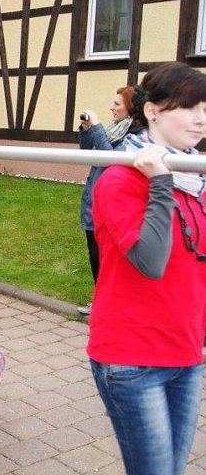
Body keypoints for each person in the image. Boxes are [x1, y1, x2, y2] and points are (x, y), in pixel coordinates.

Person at [87, 62, 206, 475]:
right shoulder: (121, 179)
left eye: (205, 108)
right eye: (189, 107)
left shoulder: (197, 179)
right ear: (152, 111)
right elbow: (151, 262)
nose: (200, 119)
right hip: (132, 358)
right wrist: (161, 183)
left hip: (187, 354)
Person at [76, 87, 144, 315]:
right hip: (93, 200)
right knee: (93, 255)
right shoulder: (112, 129)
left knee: (103, 256)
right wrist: (87, 130)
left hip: (111, 205)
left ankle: (112, 305)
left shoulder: (133, 137)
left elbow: (111, 160)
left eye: (117, 104)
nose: (111, 108)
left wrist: (96, 128)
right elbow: (87, 152)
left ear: (131, 108)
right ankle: (101, 302)